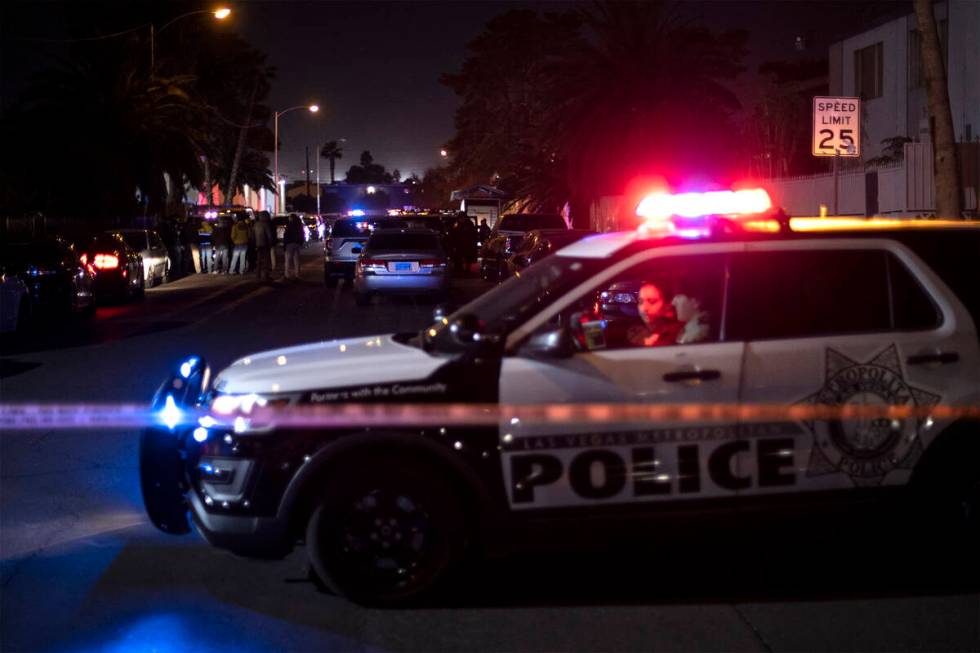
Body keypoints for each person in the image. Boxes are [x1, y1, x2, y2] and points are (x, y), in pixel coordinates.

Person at [625, 281, 684, 347]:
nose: (644, 308)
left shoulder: (679, 333)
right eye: (640, 302)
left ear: (667, 305)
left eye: (652, 302)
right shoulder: (633, 332)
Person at [253, 211, 275, 281]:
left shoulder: (256, 224)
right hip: (265, 244)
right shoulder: (266, 224)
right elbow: (269, 235)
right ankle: (265, 276)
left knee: (259, 260)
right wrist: (271, 243)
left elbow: (252, 235)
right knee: (266, 261)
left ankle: (257, 275)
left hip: (258, 244)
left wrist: (254, 243)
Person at [283, 213, 304, 280]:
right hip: (297, 243)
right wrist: (301, 242)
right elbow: (302, 234)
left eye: (289, 217)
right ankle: (297, 275)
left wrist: (285, 244)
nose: (289, 218)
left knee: (288, 260)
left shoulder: (289, 225)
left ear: (292, 218)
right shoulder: (299, 225)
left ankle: (287, 275)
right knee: (297, 260)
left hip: (290, 244)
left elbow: (286, 235)